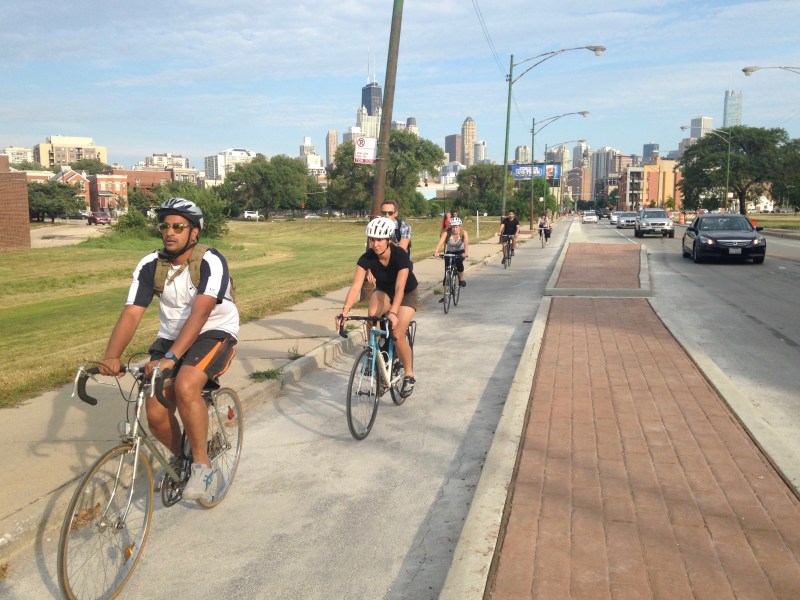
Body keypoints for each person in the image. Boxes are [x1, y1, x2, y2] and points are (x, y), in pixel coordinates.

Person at [99, 197, 239, 501]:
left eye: (178, 227)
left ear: (194, 232)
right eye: (165, 226)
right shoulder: (151, 265)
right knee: (155, 413)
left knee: (186, 385)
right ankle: (184, 457)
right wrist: (112, 356)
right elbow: (132, 312)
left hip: (214, 330)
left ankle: (201, 465)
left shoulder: (211, 261)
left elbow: (201, 312)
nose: (170, 232)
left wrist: (172, 358)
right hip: (170, 336)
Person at [338, 217, 417, 397]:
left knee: (397, 334)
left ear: (388, 239)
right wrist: (345, 312)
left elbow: (400, 288)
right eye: (372, 239)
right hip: (384, 291)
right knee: (372, 315)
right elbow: (356, 286)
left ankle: (409, 374)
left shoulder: (400, 256)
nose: (375, 244)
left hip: (406, 294)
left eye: (379, 240)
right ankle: (375, 353)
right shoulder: (367, 257)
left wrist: (393, 313)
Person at [434, 216, 469, 291]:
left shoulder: (463, 233)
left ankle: (461, 279)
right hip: (450, 251)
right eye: (453, 227)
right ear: (450, 227)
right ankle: (447, 280)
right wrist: (436, 251)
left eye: (456, 227)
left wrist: (465, 253)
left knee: (459, 263)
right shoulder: (446, 233)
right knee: (447, 265)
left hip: (460, 251)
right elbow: (440, 242)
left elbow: (466, 243)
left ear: (460, 226)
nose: (455, 229)